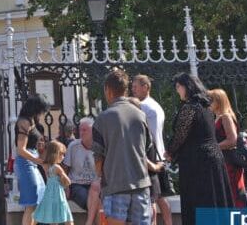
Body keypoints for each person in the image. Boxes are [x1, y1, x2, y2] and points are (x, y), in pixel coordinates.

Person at [164, 73, 232, 225]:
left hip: (198, 162)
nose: (177, 91)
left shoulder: (190, 108)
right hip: (213, 158)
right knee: (213, 199)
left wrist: (170, 152)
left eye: (178, 87)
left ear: (186, 87)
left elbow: (181, 134)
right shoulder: (205, 107)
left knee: (199, 201)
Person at [92, 70, 154, 225]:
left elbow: (98, 159)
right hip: (141, 184)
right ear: (126, 90)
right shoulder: (140, 115)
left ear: (108, 90)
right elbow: (147, 149)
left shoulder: (102, 119)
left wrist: (101, 177)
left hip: (115, 185)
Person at [131, 75, 171, 225]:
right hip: (159, 154)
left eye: (135, 87)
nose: (132, 90)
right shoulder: (155, 104)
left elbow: (149, 135)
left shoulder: (145, 107)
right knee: (161, 197)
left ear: (145, 87)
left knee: (153, 198)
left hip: (151, 155)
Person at [208, 89, 247, 208]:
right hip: (224, 160)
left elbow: (232, 140)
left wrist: (213, 147)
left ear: (219, 101)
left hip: (229, 162)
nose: (208, 103)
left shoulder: (225, 117)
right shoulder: (219, 117)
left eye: (211, 100)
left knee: (233, 194)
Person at [13, 95, 49, 225]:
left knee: (38, 200)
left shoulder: (31, 121)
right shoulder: (24, 122)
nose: (42, 113)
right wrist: (38, 161)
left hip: (31, 162)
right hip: (26, 163)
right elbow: (21, 149)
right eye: (41, 110)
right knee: (31, 203)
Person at [62, 117, 100, 225]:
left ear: (93, 131)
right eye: (80, 130)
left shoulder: (99, 146)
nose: (81, 133)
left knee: (98, 199)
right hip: (77, 184)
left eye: (85, 130)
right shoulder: (73, 146)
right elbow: (65, 169)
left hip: (96, 185)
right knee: (92, 202)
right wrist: (66, 187)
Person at [33, 140, 72, 225]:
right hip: (59, 194)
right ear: (55, 154)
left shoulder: (45, 166)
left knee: (52, 215)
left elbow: (37, 160)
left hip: (49, 194)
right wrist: (63, 181)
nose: (63, 157)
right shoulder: (57, 167)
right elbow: (68, 181)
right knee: (67, 215)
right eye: (62, 154)